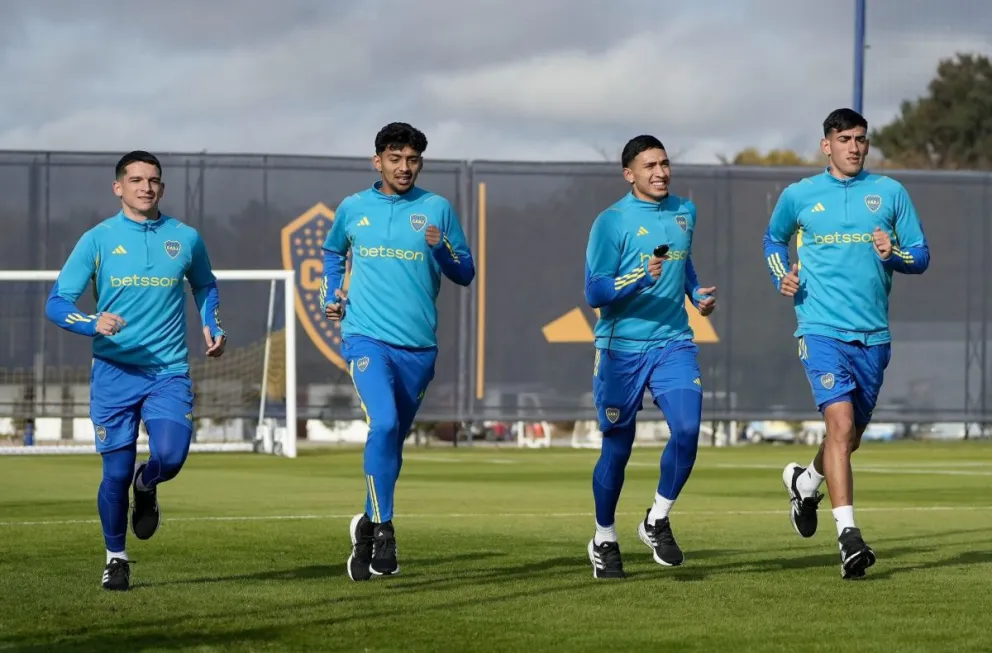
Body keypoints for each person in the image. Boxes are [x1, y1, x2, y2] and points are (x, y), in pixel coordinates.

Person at [45, 150, 226, 591]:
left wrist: (212, 322)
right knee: (114, 474)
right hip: (113, 372)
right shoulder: (98, 239)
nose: (146, 187)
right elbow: (56, 303)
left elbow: (205, 284)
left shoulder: (185, 237)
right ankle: (116, 558)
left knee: (172, 457)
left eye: (153, 180)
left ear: (162, 187)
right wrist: (91, 322)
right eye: (136, 180)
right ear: (118, 187)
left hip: (168, 371)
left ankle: (148, 485)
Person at [762, 108, 930, 579]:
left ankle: (805, 482)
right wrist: (782, 275)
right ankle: (849, 538)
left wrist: (893, 253)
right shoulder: (800, 195)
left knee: (848, 438)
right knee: (839, 425)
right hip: (819, 329)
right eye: (844, 139)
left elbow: (920, 256)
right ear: (826, 145)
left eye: (860, 139)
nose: (854, 147)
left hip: (873, 336)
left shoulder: (890, 192)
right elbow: (773, 241)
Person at [321, 122, 475, 581]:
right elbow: (332, 253)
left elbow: (465, 271)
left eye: (412, 159)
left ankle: (366, 526)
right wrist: (332, 292)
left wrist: (442, 249)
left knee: (393, 441)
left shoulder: (436, 208)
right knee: (384, 423)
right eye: (395, 158)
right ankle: (385, 529)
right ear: (378, 161)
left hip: (419, 347)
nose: (404, 167)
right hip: (366, 338)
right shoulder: (353, 208)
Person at [583, 135, 716, 579]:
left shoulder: (685, 211)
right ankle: (604, 538)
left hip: (673, 343)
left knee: (688, 429)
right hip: (620, 349)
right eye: (649, 166)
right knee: (618, 448)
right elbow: (595, 291)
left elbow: (683, 262)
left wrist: (696, 294)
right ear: (629, 174)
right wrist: (639, 278)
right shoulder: (611, 222)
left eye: (664, 163)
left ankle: (656, 519)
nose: (660, 172)